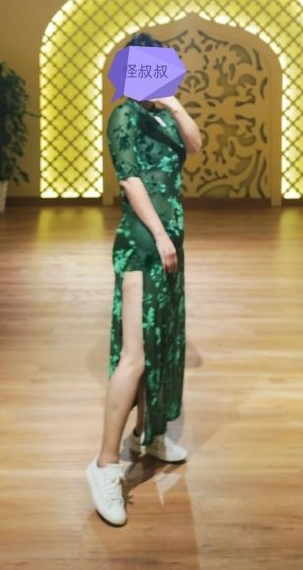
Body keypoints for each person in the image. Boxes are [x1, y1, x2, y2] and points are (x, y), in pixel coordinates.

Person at [86, 32, 203, 526]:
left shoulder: (162, 113)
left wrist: (174, 103)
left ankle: (149, 433)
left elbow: (196, 145)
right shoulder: (124, 116)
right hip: (142, 240)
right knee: (134, 356)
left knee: (164, 343)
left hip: (170, 239)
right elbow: (130, 180)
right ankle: (104, 466)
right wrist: (158, 234)